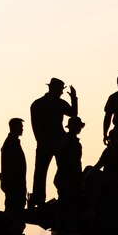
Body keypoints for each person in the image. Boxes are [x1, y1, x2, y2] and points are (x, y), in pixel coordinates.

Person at [29, 78, 78, 208]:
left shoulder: (37, 104)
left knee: (44, 170)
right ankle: (52, 196)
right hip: (54, 141)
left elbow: (73, 113)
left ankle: (41, 197)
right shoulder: (42, 104)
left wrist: (74, 98)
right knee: (50, 169)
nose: (61, 93)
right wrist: (74, 99)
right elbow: (73, 113)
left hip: (51, 142)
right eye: (60, 90)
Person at [53, 116, 86, 231]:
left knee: (62, 205)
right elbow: (75, 164)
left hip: (62, 177)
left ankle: (62, 230)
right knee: (71, 206)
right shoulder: (73, 143)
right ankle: (69, 230)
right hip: (70, 179)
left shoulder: (62, 141)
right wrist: (80, 180)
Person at [0, 118, 28, 224]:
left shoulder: (12, 142)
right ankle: (12, 231)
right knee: (15, 208)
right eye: (20, 127)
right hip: (14, 184)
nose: (22, 129)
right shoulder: (11, 143)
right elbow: (13, 166)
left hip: (14, 183)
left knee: (14, 207)